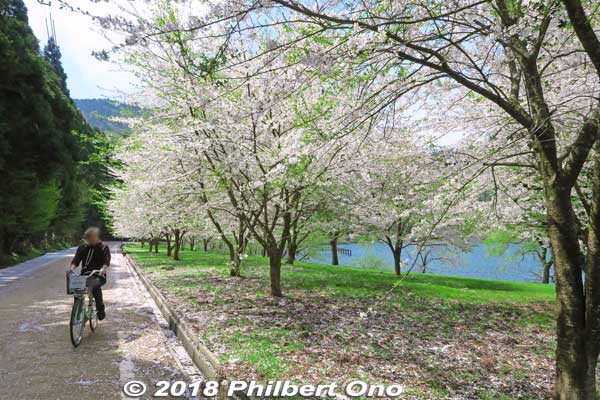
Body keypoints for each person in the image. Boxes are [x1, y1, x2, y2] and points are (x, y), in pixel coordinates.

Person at [69, 227, 110, 320]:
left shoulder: (103, 247)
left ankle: (100, 309)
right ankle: (77, 310)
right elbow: (76, 260)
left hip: (98, 275)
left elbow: (107, 259)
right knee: (77, 289)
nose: (91, 241)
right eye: (89, 239)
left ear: (97, 237)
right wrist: (72, 268)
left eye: (93, 239)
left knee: (95, 287)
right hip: (85, 274)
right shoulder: (82, 247)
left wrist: (103, 268)